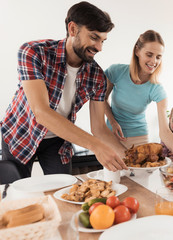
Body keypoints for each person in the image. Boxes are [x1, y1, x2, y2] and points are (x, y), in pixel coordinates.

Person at [0, 1, 128, 180]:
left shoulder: (97, 75)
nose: (100, 48)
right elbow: (41, 113)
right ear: (73, 29)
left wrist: (131, 158)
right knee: (18, 196)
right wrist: (96, 146)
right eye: (94, 37)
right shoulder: (33, 52)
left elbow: (99, 127)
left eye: (102, 40)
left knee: (64, 192)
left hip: (58, 141)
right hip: (21, 132)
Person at [104, 30, 173, 165]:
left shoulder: (157, 89)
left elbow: (165, 130)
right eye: (149, 54)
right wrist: (112, 121)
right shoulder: (116, 71)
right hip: (111, 135)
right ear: (137, 51)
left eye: (158, 57)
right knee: (114, 178)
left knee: (138, 180)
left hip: (139, 138)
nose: (154, 61)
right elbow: (101, 99)